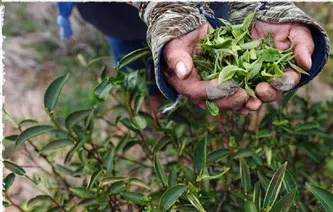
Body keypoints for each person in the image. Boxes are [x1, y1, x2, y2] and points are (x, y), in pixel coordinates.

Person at [56, 2, 329, 115]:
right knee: (136, 71)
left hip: (208, 6)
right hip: (116, 12)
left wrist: (260, 5)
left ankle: (214, 133)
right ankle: (152, 122)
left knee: (223, 90)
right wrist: (166, 6)